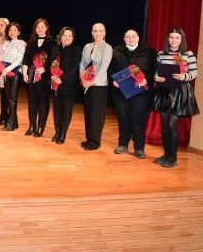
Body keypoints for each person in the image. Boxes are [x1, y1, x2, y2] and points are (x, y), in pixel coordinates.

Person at [151, 27, 199, 168]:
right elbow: (157, 71)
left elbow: (194, 72)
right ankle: (166, 155)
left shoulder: (188, 54)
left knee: (172, 125)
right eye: (171, 37)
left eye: (177, 38)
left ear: (181, 39)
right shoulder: (162, 54)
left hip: (180, 92)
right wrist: (156, 78)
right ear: (168, 39)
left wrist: (184, 76)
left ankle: (173, 158)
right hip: (164, 91)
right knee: (165, 125)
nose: (174, 40)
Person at [109, 29, 157, 158]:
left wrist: (147, 79)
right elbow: (110, 69)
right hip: (120, 92)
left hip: (140, 92)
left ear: (138, 37)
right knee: (123, 118)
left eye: (133, 36)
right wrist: (113, 80)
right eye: (128, 37)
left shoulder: (149, 51)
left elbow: (154, 70)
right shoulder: (115, 51)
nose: (130, 39)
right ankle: (122, 144)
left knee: (138, 119)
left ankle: (139, 148)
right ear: (124, 39)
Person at [80, 23, 113, 151]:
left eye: (100, 31)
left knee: (97, 114)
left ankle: (95, 141)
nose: (97, 33)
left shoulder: (107, 48)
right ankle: (89, 138)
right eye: (95, 31)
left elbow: (104, 67)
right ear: (92, 33)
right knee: (88, 112)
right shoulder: (87, 46)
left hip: (99, 85)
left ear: (104, 33)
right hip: (86, 84)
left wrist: (92, 81)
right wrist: (83, 79)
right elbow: (82, 64)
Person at [48, 27, 81, 144]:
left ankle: (62, 134)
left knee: (66, 110)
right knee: (56, 109)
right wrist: (52, 77)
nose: (67, 38)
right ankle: (57, 132)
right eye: (64, 35)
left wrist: (61, 79)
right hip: (55, 84)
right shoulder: (54, 50)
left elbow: (73, 68)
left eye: (69, 36)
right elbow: (50, 65)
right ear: (60, 36)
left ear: (73, 38)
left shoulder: (77, 50)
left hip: (69, 85)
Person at [22, 18, 54, 137]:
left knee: (43, 102)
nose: (40, 29)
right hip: (32, 76)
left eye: (42, 27)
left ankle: (40, 127)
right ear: (35, 29)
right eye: (38, 27)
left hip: (45, 77)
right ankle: (32, 126)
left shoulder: (52, 43)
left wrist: (45, 68)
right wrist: (25, 73)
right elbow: (26, 59)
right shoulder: (31, 43)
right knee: (32, 101)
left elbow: (54, 60)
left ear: (46, 28)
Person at [0, 22, 26, 132]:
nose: (12, 32)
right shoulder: (6, 43)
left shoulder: (21, 43)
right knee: (7, 97)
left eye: (15, 30)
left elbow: (19, 59)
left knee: (12, 98)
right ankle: (14, 123)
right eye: (10, 30)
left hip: (15, 72)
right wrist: (0, 66)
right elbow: (2, 57)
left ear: (19, 32)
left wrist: (8, 69)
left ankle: (10, 124)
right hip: (6, 71)